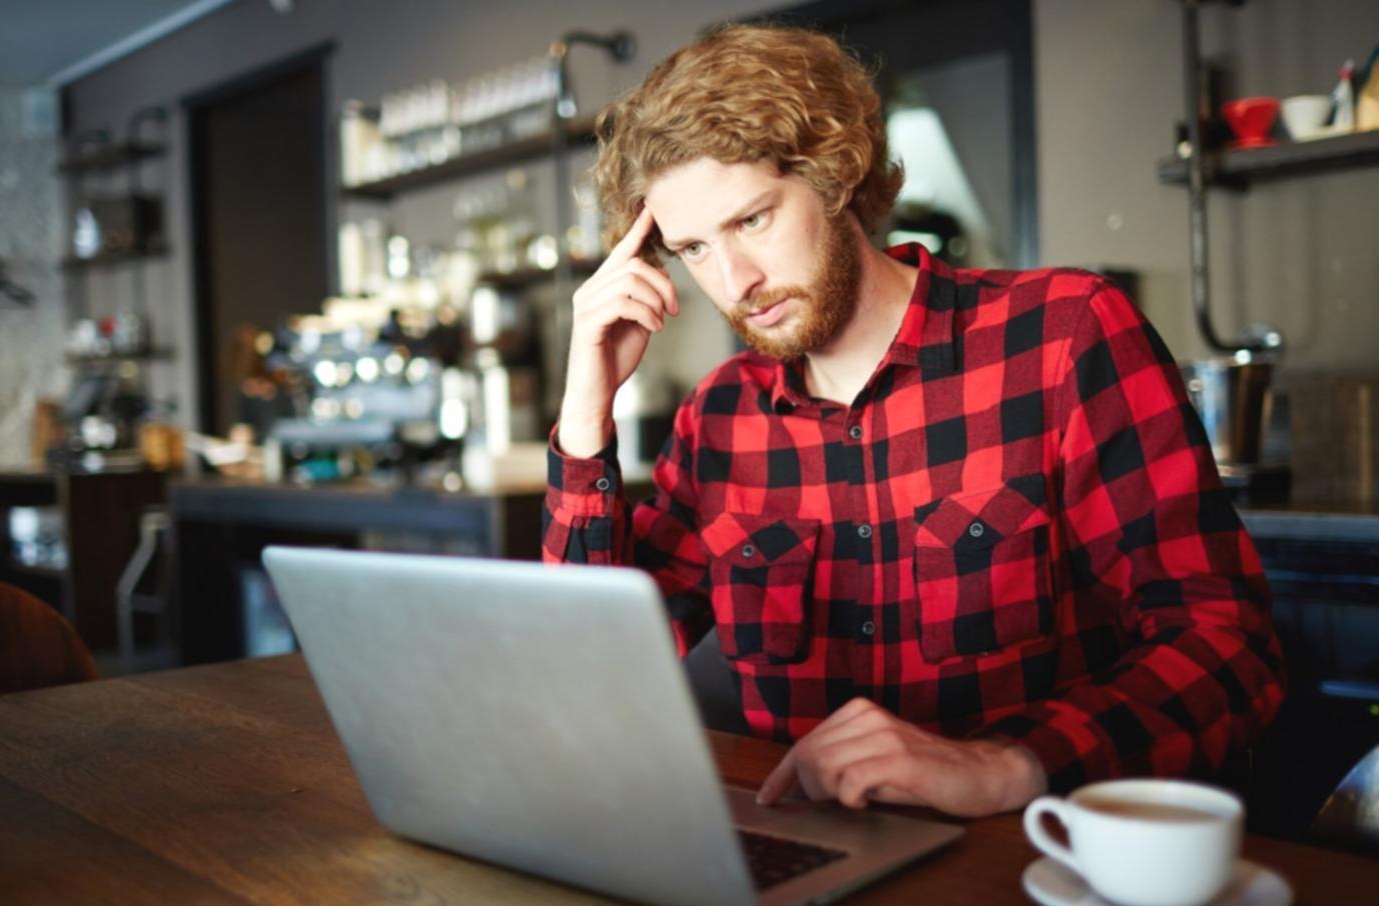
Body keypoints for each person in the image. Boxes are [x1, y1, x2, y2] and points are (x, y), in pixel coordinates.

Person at [542, 23, 1286, 817]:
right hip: (809, 868)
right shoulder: (719, 417)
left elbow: (1228, 649)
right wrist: (587, 409)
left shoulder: (1065, 338)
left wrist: (1009, 765)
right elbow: (590, 672)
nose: (735, 282)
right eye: (692, 248)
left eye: (752, 220)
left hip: (1029, 860)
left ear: (835, 174)